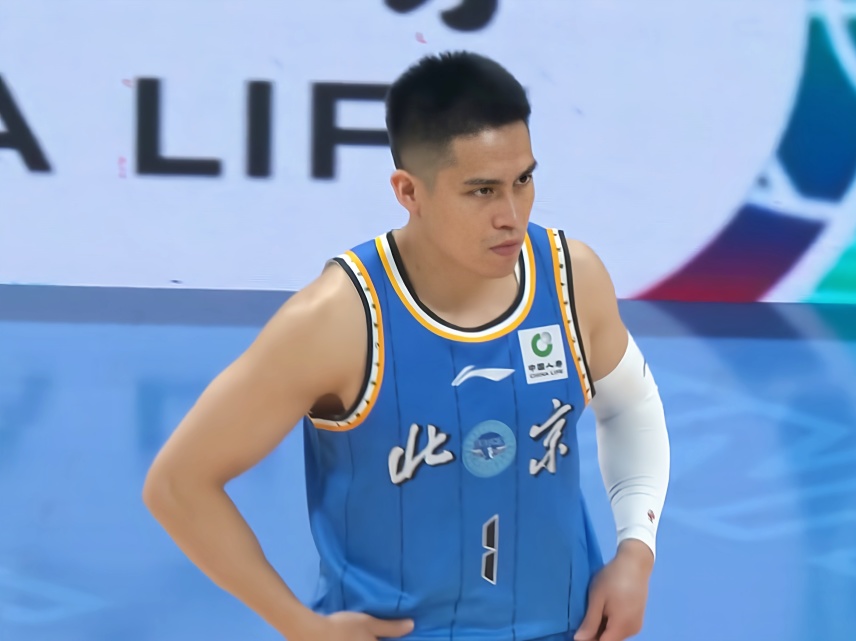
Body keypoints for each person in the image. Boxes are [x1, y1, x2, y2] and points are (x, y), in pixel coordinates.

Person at [143, 51, 670, 641]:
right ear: (408, 191)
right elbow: (178, 484)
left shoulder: (571, 278)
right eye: (482, 191)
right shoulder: (338, 319)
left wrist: (636, 549)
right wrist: (299, 625)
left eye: (522, 181)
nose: (511, 215)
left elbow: (630, 406)